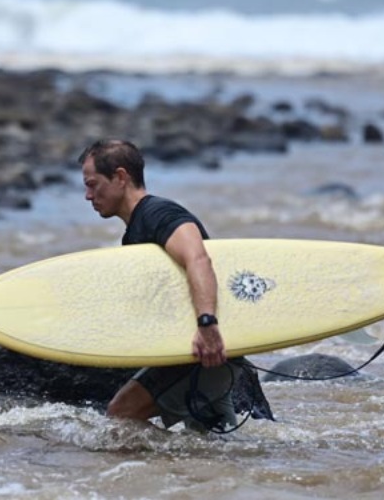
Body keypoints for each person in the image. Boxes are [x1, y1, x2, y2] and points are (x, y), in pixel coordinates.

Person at [79, 139, 268, 431]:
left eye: (93, 185)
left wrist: (207, 324)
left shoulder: (159, 214)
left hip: (205, 349)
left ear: (120, 177)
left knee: (121, 414)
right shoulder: (135, 231)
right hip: (206, 354)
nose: (88, 196)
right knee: (212, 449)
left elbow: (198, 259)